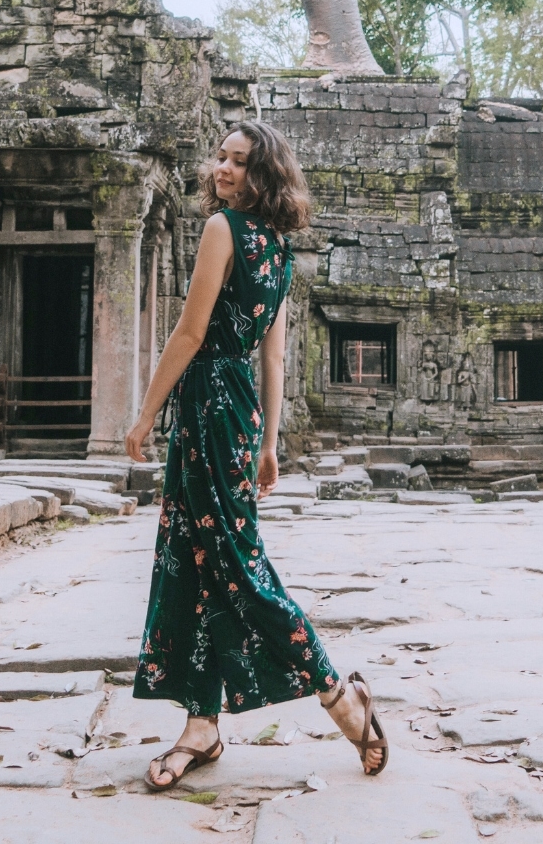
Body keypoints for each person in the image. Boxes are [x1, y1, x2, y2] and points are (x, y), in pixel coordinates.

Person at [124, 120, 388, 791]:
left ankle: (339, 696)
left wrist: (146, 413)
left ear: (262, 174)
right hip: (235, 409)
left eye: (237, 162)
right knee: (196, 557)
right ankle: (202, 725)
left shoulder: (224, 231)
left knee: (238, 567)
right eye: (219, 157)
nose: (222, 170)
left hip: (210, 402)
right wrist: (267, 440)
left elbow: (189, 333)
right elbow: (271, 355)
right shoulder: (279, 250)